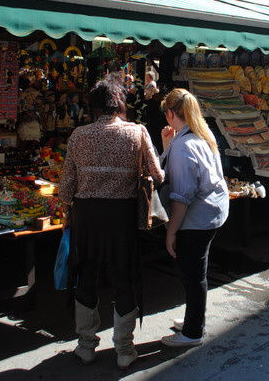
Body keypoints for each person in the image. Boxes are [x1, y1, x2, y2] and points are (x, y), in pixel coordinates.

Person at [59, 78, 164, 368]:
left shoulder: (79, 135)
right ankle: (124, 350)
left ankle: (86, 346)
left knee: (85, 277)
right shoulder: (137, 132)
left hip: (87, 217)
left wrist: (69, 213)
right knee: (123, 279)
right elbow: (158, 175)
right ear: (119, 103)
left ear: (94, 106)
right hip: (121, 217)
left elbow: (66, 187)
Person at [159, 89, 229, 347]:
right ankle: (195, 317)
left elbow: (181, 196)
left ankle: (192, 332)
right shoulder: (201, 134)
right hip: (211, 212)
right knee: (196, 270)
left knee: (192, 272)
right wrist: (168, 145)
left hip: (197, 217)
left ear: (169, 113)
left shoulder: (184, 146)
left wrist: (171, 231)